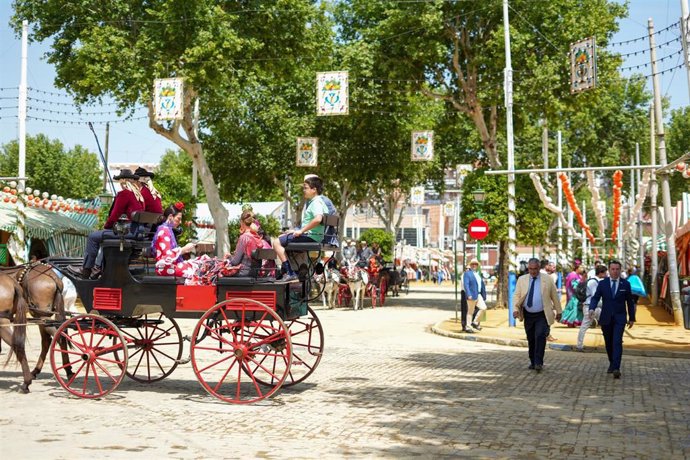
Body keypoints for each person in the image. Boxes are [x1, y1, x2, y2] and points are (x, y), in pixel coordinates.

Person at [73, 169, 145, 278]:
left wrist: (106, 227)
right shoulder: (139, 196)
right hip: (138, 231)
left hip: (128, 232)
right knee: (103, 236)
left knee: (93, 237)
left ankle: (86, 270)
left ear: (123, 181)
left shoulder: (124, 194)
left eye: (120, 181)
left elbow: (114, 215)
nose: (119, 184)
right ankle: (98, 267)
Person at [273, 175, 329, 281]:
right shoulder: (320, 201)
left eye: (306, 187)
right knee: (282, 237)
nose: (303, 190)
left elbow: (318, 219)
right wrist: (295, 230)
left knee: (276, 242)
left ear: (314, 189)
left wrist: (301, 231)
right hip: (314, 236)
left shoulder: (316, 202)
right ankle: (292, 270)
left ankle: (290, 272)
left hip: (311, 237)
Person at [512, 258, 562, 372]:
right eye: (530, 269)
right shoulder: (522, 279)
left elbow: (554, 296)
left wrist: (559, 311)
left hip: (542, 314)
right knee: (531, 338)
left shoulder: (547, 279)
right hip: (528, 314)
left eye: (535, 269)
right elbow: (516, 296)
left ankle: (539, 362)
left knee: (540, 336)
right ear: (528, 268)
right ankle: (533, 361)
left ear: (539, 268)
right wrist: (515, 309)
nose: (533, 271)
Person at [589, 260, 636, 379]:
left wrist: (632, 318)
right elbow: (595, 298)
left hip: (620, 318)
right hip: (606, 318)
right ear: (609, 271)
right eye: (613, 269)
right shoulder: (602, 283)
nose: (615, 272)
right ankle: (612, 362)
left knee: (617, 341)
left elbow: (630, 302)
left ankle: (616, 367)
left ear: (620, 270)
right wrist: (591, 308)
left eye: (617, 269)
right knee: (609, 343)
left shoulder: (625, 284)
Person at [576, 264, 607, 352]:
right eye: (605, 273)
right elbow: (595, 296)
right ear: (601, 273)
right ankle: (579, 345)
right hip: (591, 307)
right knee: (584, 326)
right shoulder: (594, 282)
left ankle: (579, 345)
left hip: (592, 307)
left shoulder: (594, 281)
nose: (606, 275)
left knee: (606, 324)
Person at [462, 258, 486, 333]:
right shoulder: (467, 273)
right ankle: (468, 327)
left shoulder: (478, 274)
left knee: (483, 308)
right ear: (470, 265)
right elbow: (466, 284)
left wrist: (483, 295)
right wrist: (468, 294)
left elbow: (481, 285)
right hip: (471, 295)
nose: (474, 265)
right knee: (470, 312)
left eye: (476, 264)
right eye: (473, 264)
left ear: (477, 266)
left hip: (478, 294)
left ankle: (475, 322)